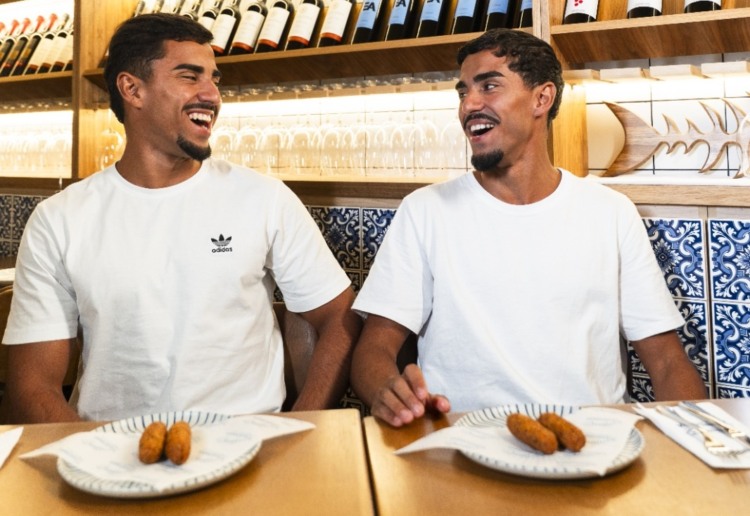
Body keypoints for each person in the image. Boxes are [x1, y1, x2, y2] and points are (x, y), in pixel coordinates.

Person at [1, 13, 361, 423]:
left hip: (246, 445)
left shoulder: (264, 198)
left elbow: (339, 316)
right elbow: (32, 385)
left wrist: (304, 428)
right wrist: (93, 452)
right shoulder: (59, 219)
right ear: (132, 89)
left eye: (214, 79)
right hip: (109, 444)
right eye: (190, 76)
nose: (212, 95)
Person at [350, 29, 707, 428]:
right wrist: (388, 392)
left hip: (593, 443)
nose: (469, 104)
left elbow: (666, 361)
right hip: (459, 442)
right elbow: (374, 349)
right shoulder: (424, 211)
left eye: (489, 86)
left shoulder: (611, 212)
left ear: (542, 98)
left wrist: (697, 440)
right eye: (463, 91)